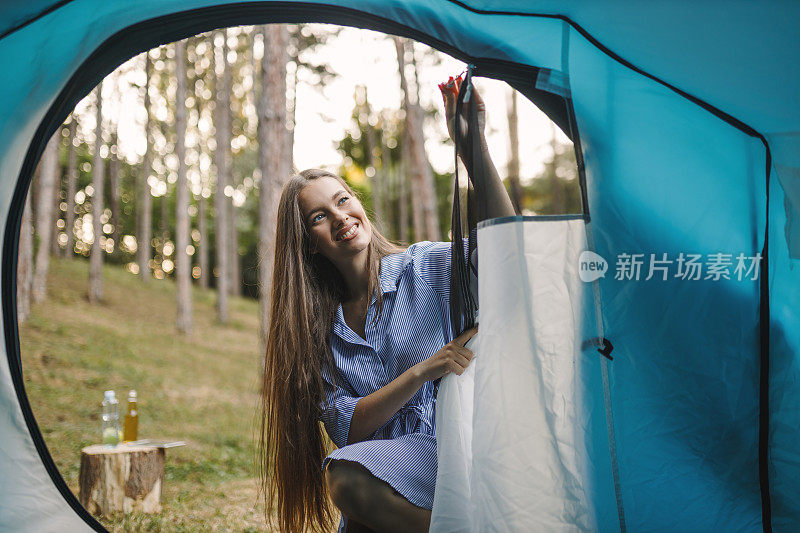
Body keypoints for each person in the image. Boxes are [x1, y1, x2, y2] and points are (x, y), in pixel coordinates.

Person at [259, 75, 515, 533]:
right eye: (320, 217)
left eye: (343, 200)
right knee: (357, 501)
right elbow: (348, 428)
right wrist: (421, 371)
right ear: (309, 244)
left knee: (347, 480)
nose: (340, 217)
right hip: (386, 481)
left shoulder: (428, 268)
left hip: (450, 451)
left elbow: (505, 249)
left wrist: (473, 150)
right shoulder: (318, 332)